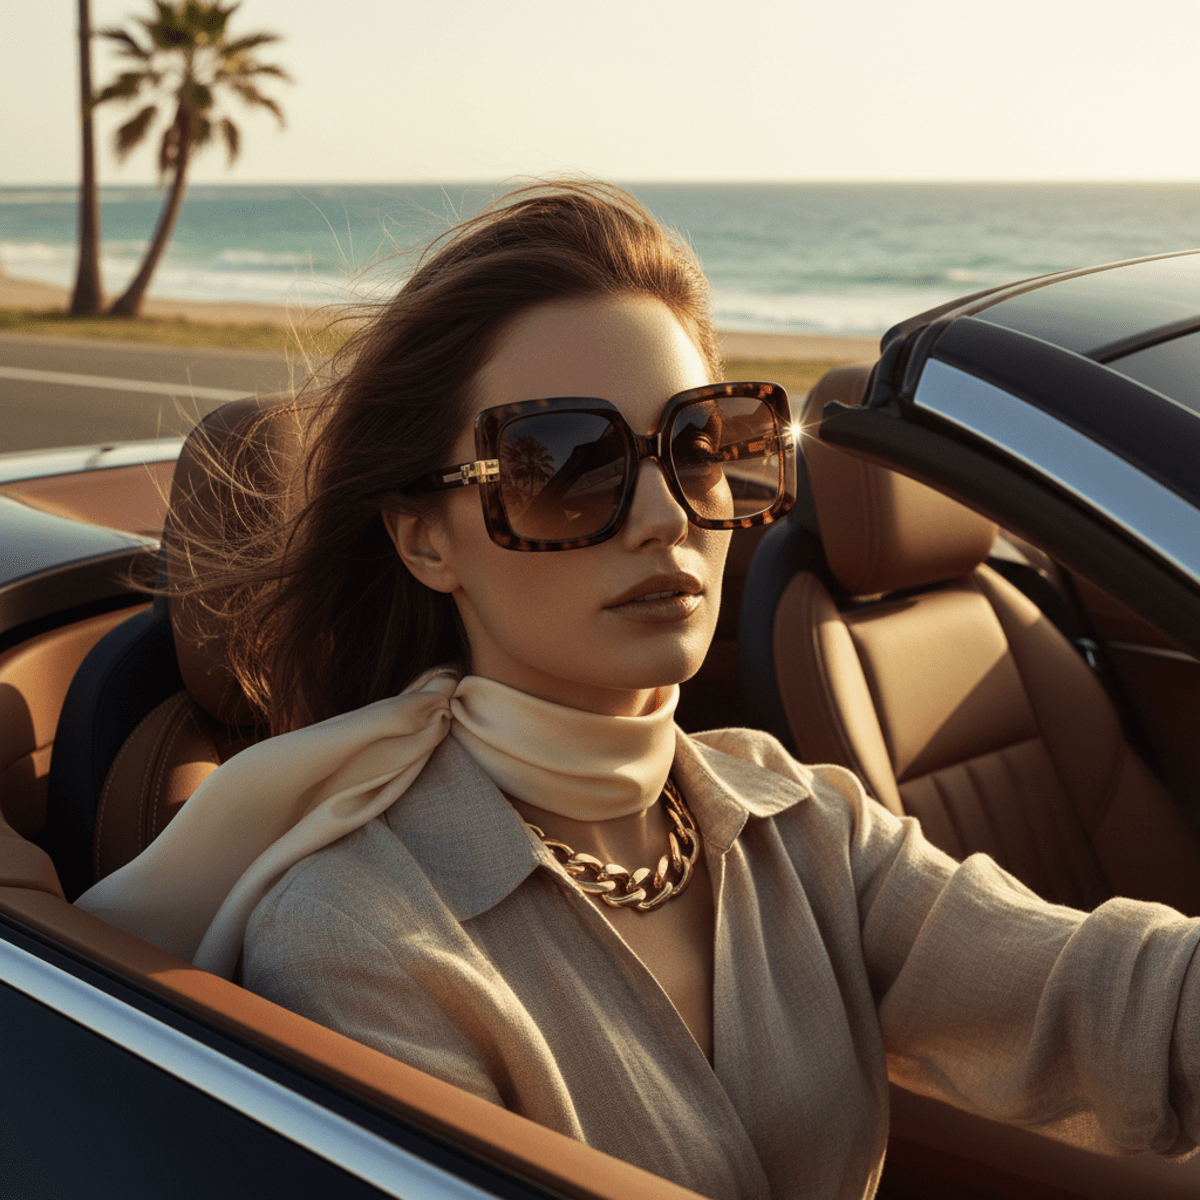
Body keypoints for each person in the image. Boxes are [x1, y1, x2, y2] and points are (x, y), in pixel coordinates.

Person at [77, 182, 1200, 1200]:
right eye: (566, 465)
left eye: (701, 446)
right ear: (425, 540)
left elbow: (1116, 1004)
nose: (665, 516)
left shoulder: (797, 819)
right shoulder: (357, 936)